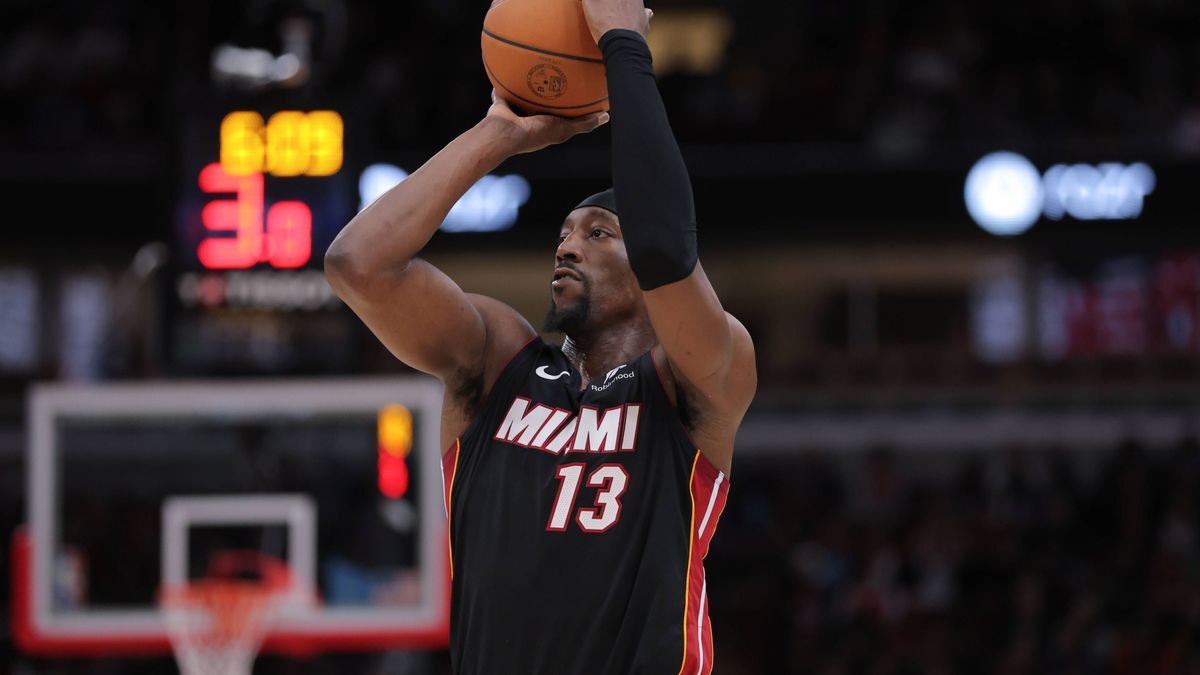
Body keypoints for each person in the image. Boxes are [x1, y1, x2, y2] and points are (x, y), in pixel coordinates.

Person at [324, 0, 756, 671]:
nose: (567, 248)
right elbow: (358, 265)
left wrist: (622, 46)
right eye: (562, 234)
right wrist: (498, 134)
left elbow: (669, 249)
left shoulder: (694, 378)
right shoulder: (501, 361)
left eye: (597, 234)